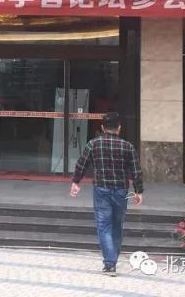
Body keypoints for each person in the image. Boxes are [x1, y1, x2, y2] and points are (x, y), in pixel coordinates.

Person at [69, 113, 143, 277]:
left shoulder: (93, 144)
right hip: (121, 191)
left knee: (104, 226)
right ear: (119, 128)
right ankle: (112, 260)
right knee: (117, 225)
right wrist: (138, 191)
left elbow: (81, 163)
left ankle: (110, 264)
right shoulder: (128, 147)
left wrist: (76, 182)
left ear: (102, 128)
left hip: (101, 190)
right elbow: (136, 171)